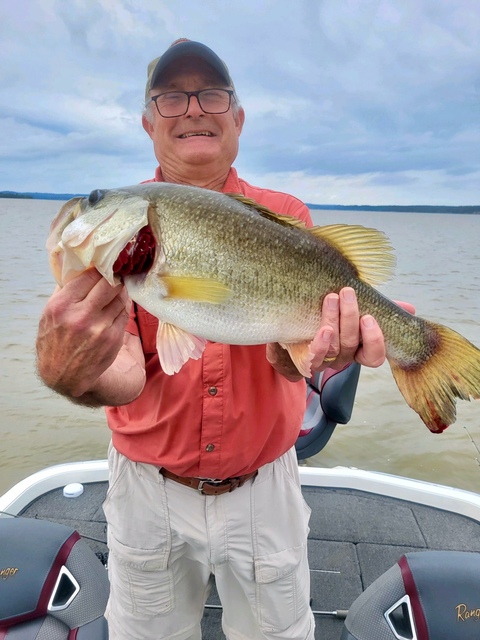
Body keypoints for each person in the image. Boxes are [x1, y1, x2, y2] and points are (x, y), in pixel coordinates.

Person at [36, 39, 414, 640]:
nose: (192, 109)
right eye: (170, 97)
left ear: (237, 119)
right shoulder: (122, 254)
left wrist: (307, 357)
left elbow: (293, 358)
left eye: (211, 94)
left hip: (265, 487)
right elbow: (129, 373)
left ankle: (421, 351)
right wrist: (67, 368)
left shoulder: (287, 212)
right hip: (146, 493)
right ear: (147, 123)